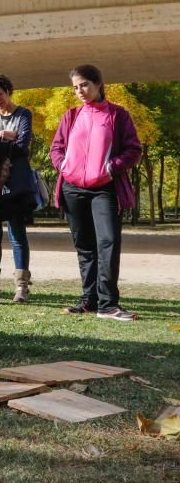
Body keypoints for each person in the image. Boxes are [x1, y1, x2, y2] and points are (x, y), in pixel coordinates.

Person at [50, 64, 142, 321]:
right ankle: (89, 300)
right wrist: (64, 165)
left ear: (98, 84)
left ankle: (108, 304)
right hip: (73, 188)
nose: (80, 91)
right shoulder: (70, 116)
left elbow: (134, 150)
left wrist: (111, 167)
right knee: (85, 247)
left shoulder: (118, 115)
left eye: (84, 85)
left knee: (108, 242)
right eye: (75, 87)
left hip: (105, 189)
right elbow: (56, 149)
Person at [0, 73, 36, 304]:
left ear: (8, 91)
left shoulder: (23, 114)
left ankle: (21, 287)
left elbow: (22, 145)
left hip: (16, 184)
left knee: (18, 234)